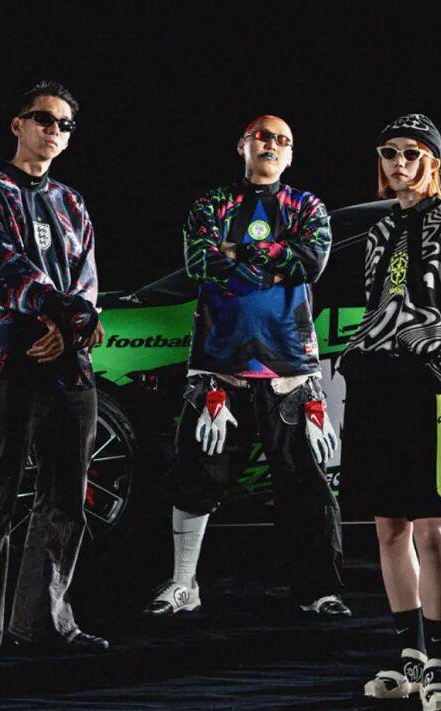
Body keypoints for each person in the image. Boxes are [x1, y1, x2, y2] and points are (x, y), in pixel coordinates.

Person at [143, 115, 349, 619]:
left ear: (291, 155)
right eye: (263, 136)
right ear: (243, 145)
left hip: (291, 371)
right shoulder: (211, 204)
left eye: (283, 140)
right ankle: (183, 584)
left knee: (307, 486)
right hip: (219, 368)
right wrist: (274, 264)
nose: (272, 145)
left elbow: (311, 263)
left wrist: (238, 252)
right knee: (196, 477)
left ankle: (319, 590)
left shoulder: (307, 206)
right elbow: (200, 263)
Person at [0, 81, 106, 676]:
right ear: (18, 124)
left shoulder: (72, 202)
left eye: (64, 124)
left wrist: (74, 322)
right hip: (8, 363)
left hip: (71, 369)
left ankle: (42, 624)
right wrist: (60, 315)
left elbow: (87, 281)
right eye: (44, 119)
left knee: (66, 503)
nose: (54, 131)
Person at [338, 114, 441, 711]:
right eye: (389, 152)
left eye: (411, 153)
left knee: (433, 527)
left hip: (424, 386)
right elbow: (380, 308)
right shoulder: (381, 230)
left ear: (432, 161)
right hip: (376, 386)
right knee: (389, 527)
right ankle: (409, 657)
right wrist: (359, 358)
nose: (399, 163)